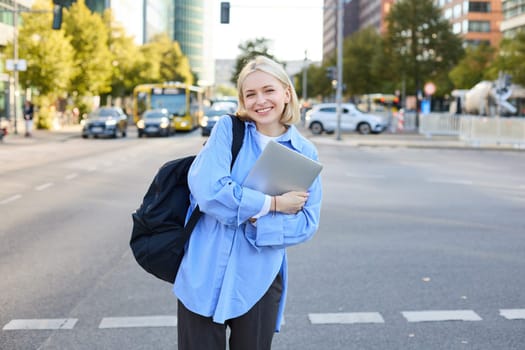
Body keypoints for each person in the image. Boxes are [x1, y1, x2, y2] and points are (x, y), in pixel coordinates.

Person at [174, 55, 322, 350]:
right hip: (202, 274)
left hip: (259, 280)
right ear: (242, 100)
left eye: (269, 90)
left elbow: (306, 223)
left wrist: (255, 223)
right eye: (250, 94)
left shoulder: (304, 152)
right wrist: (273, 205)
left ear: (286, 93)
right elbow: (210, 192)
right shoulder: (227, 131)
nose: (260, 101)